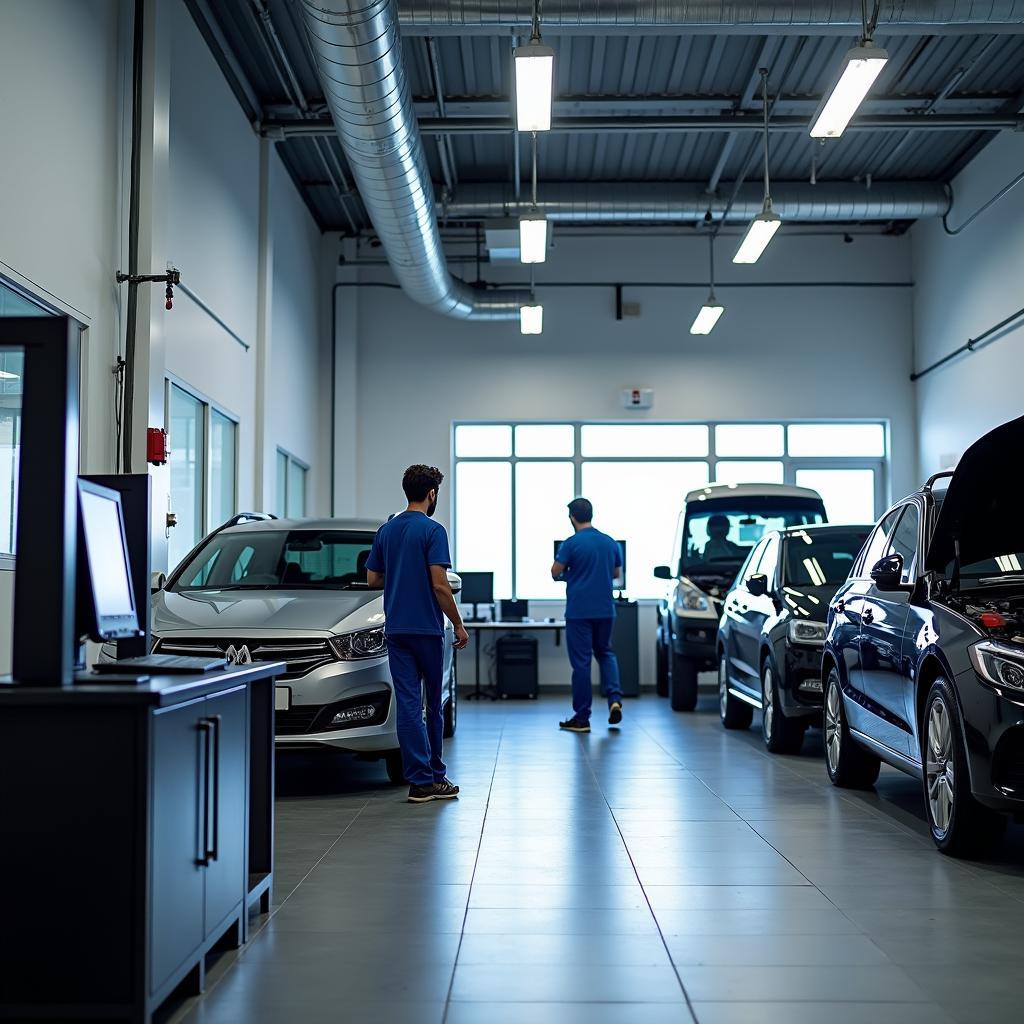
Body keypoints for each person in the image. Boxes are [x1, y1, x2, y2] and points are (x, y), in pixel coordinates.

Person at [366, 464, 469, 803]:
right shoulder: (433, 530)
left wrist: (400, 572)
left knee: (408, 705)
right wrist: (458, 623)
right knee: (433, 705)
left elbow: (373, 580)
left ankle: (420, 781)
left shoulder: (387, 530)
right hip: (426, 629)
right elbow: (440, 584)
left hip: (396, 629)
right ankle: (436, 776)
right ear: (432, 493)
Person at [551, 497, 624, 733]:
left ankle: (582, 718)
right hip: (605, 609)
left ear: (572, 517)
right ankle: (614, 699)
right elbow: (615, 573)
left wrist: (572, 573)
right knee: (606, 653)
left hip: (579, 611)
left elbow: (555, 572)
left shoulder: (571, 543)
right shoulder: (610, 542)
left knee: (581, 663)